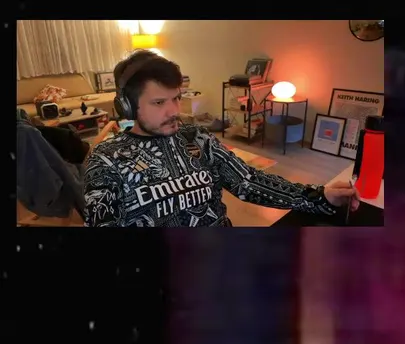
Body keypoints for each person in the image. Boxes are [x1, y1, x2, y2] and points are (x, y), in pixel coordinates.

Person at [82, 50, 358, 227]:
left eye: (176, 98)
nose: (174, 111)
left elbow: (248, 181)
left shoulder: (197, 137)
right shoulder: (106, 160)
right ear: (128, 107)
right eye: (158, 102)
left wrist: (320, 195)